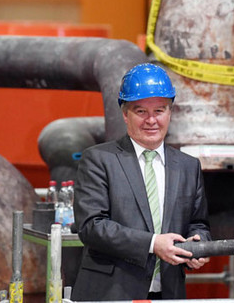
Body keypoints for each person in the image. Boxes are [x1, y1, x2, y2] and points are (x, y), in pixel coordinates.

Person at [71, 63, 211, 301]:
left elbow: (198, 223)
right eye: (141, 111)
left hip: (167, 292)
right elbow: (91, 226)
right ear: (125, 114)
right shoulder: (98, 159)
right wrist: (153, 243)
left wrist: (199, 245)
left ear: (170, 113)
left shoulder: (188, 166)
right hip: (111, 293)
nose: (151, 120)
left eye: (159, 110)